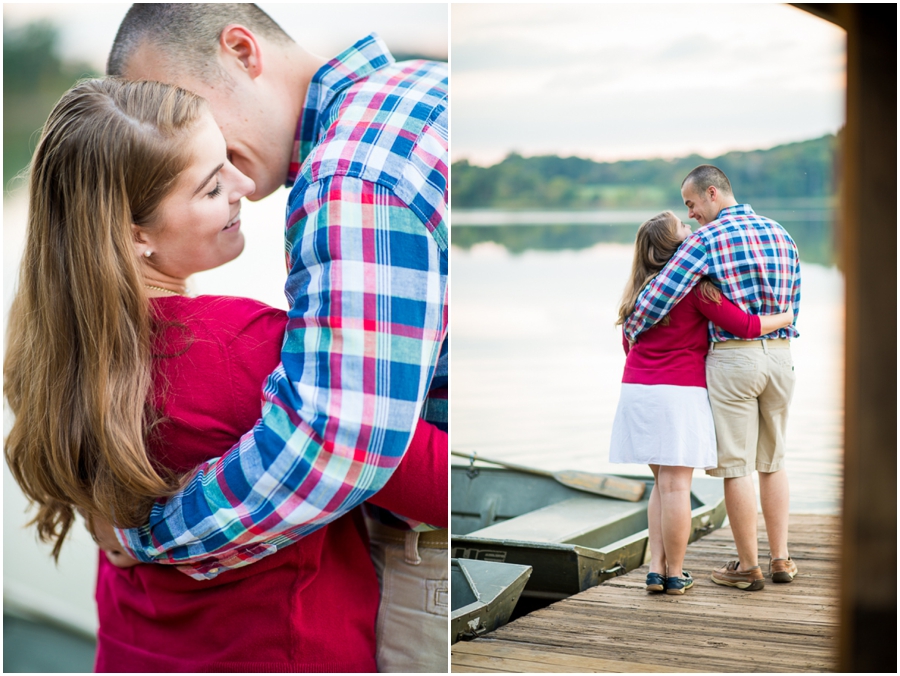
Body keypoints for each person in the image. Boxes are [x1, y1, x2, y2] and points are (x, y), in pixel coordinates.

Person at [3, 77, 446, 672]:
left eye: (230, 163)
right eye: (213, 185)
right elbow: (428, 482)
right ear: (137, 236)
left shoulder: (48, 358)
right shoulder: (244, 347)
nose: (244, 187)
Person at [624, 166, 801, 591]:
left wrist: (630, 329)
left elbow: (658, 296)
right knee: (773, 461)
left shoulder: (705, 240)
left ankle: (747, 566)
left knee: (737, 466)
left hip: (733, 361)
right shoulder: (780, 232)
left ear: (711, 193)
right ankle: (782, 559)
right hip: (780, 356)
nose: (694, 215)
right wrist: (783, 321)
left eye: (692, 205)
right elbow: (793, 297)